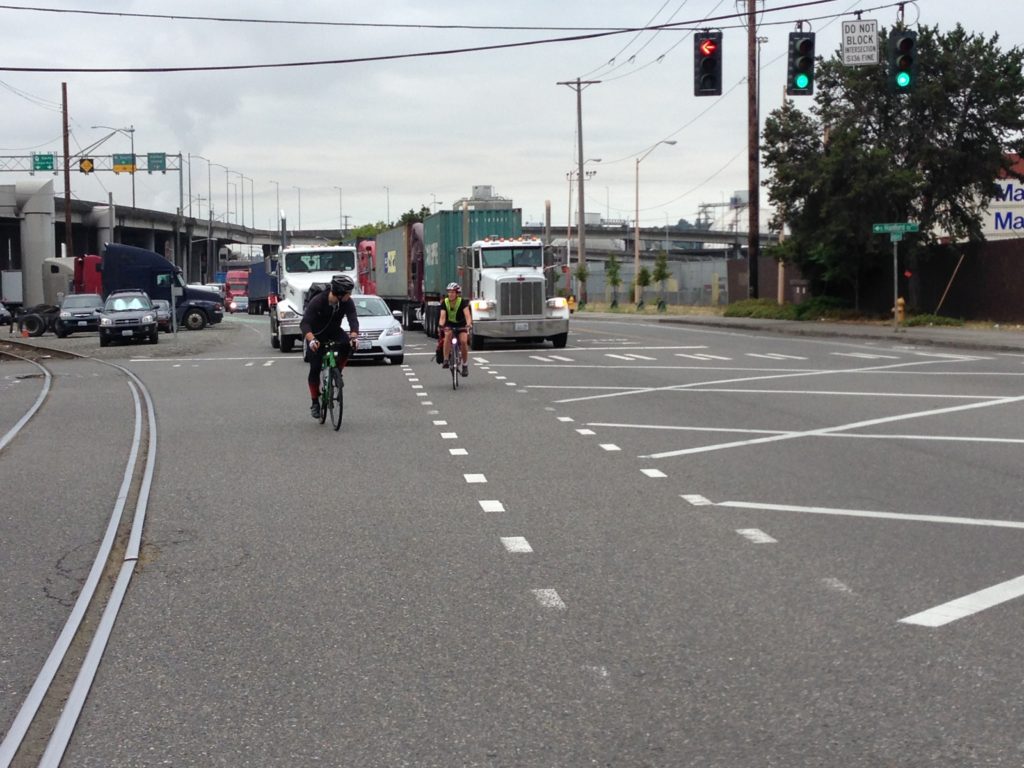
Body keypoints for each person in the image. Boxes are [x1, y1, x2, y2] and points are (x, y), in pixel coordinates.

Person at [301, 274, 359, 419]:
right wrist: (311, 339)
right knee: (314, 368)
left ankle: (337, 372)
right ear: (339, 294)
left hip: (333, 331)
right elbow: (305, 323)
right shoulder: (318, 301)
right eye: (348, 293)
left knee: (346, 345)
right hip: (316, 335)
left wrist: (354, 336)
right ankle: (315, 402)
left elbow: (353, 319)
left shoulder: (347, 302)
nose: (350, 296)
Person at [438, 282, 472, 376]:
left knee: (464, 341)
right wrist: (441, 325)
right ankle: (446, 359)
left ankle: (465, 365)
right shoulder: (445, 302)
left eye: (453, 292)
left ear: (457, 294)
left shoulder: (462, 302)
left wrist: (468, 324)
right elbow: (442, 316)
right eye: (449, 292)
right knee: (447, 335)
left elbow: (468, 316)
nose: (450, 294)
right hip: (450, 325)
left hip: (461, 325)